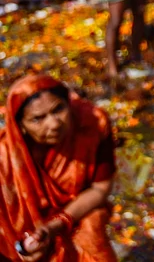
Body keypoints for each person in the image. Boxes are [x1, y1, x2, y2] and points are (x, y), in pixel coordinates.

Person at [0, 75, 118, 262]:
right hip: (28, 235)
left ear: (69, 104)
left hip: (78, 211)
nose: (54, 124)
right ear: (20, 125)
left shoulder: (92, 125)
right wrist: (22, 248)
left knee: (93, 237)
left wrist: (58, 224)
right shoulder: (5, 159)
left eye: (59, 109)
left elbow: (100, 188)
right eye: (38, 119)